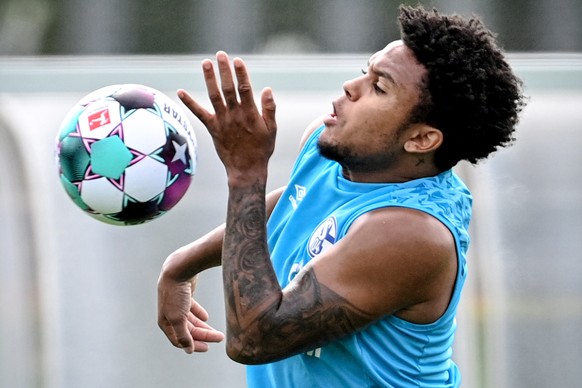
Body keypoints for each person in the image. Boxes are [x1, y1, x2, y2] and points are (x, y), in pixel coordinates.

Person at [157, 5, 525, 387]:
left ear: (421, 139)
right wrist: (181, 265)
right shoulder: (332, 146)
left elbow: (254, 339)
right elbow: (294, 203)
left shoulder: (411, 234)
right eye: (367, 70)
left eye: (380, 86)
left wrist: (245, 174)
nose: (352, 86)